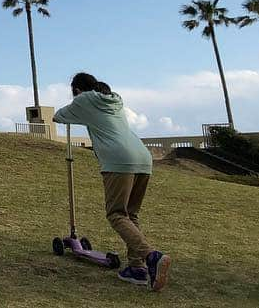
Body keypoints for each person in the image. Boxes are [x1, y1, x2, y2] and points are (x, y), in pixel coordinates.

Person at [52, 72, 172, 291]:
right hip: (143, 158)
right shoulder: (114, 99)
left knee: (116, 214)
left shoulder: (83, 99)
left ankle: (152, 256)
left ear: (77, 90)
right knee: (130, 215)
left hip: (118, 161)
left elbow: (58, 116)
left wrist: (77, 104)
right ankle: (136, 269)